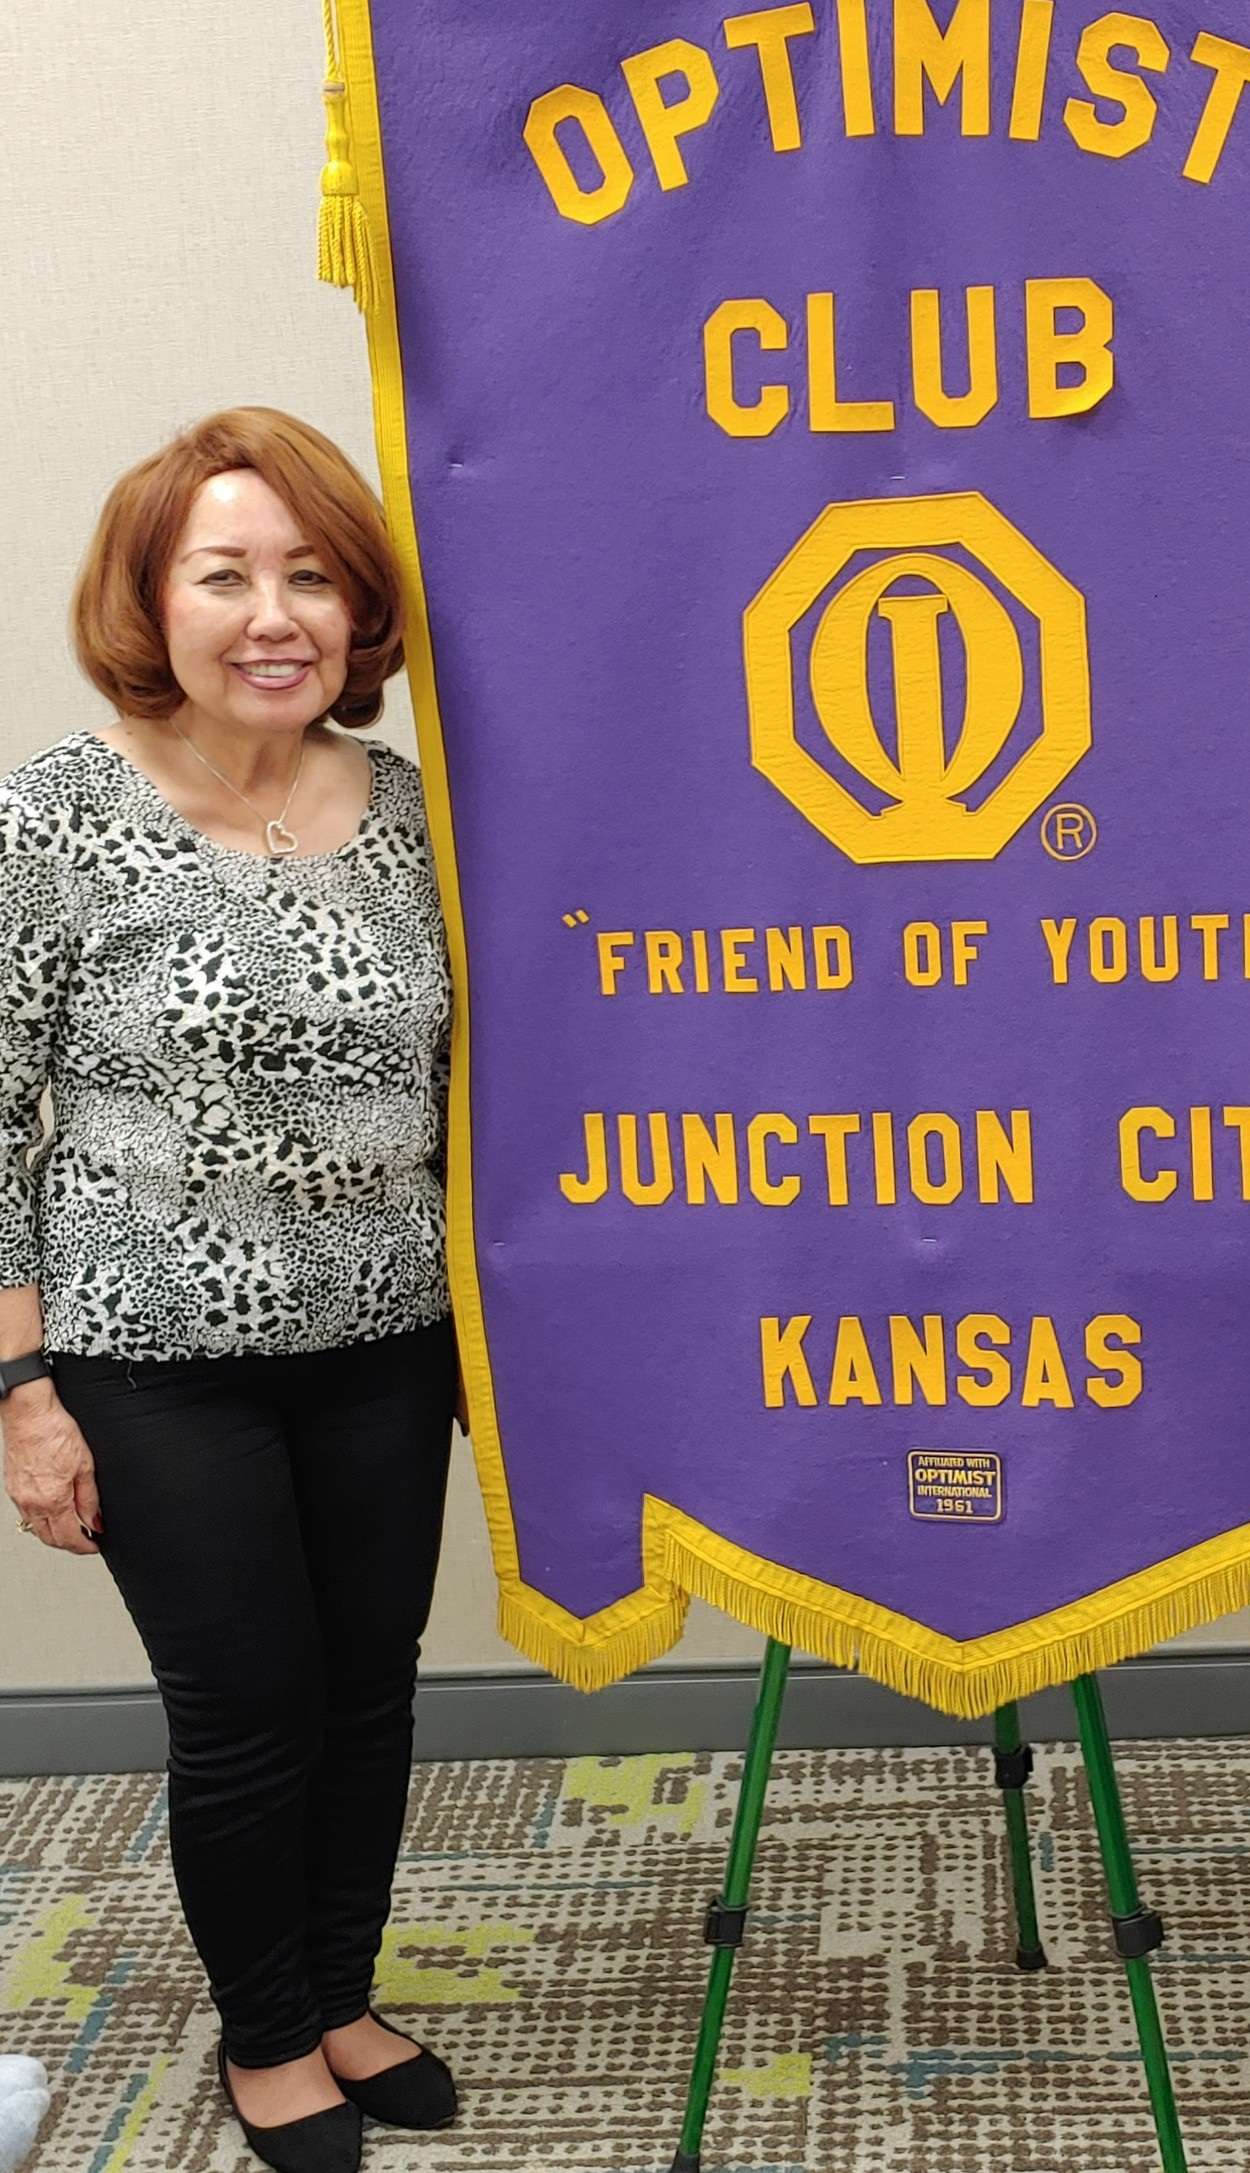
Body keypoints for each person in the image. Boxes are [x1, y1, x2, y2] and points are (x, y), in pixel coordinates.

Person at [0, 409, 461, 2173]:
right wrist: (23, 1394)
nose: (275, 612)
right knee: (251, 1703)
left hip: (384, 1340)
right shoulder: (55, 816)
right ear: (152, 598)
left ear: (356, 611)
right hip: (150, 1354)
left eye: (312, 575)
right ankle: (267, 2033)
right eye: (226, 574)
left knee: (372, 1686)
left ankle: (340, 1988)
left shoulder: (410, 814)